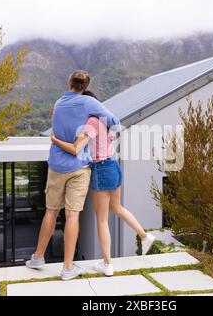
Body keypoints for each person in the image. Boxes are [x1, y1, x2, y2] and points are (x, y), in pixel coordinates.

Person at [25, 71, 120, 281]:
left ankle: (38, 257)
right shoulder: (87, 102)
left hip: (56, 165)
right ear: (85, 87)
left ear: (69, 82)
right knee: (72, 215)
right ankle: (68, 267)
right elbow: (115, 121)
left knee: (51, 211)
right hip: (79, 167)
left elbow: (57, 130)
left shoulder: (58, 103)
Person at [51, 91, 156, 277]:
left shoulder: (91, 123)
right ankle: (145, 236)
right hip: (113, 165)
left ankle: (107, 264)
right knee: (118, 208)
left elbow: (76, 149)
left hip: (101, 168)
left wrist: (55, 140)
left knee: (102, 219)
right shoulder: (106, 121)